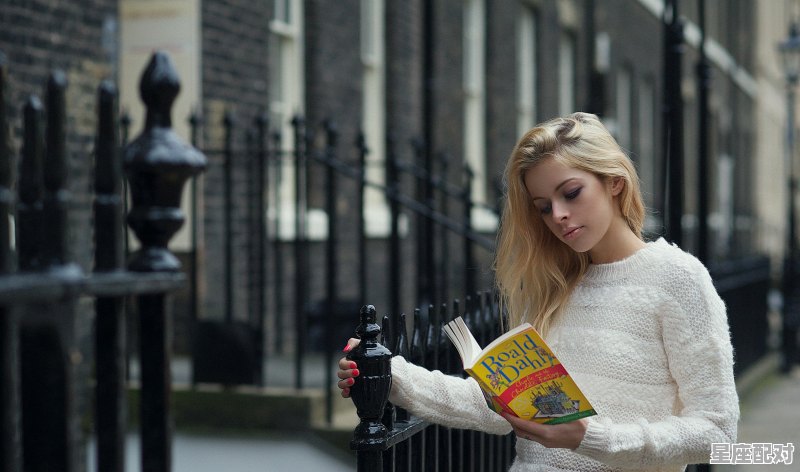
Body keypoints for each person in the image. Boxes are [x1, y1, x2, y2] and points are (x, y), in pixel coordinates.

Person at [337, 112, 739, 471]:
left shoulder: (677, 278)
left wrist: (591, 438)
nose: (558, 215)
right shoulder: (555, 285)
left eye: (571, 193)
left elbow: (718, 433)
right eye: (543, 207)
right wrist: (390, 374)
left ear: (615, 182)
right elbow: (498, 408)